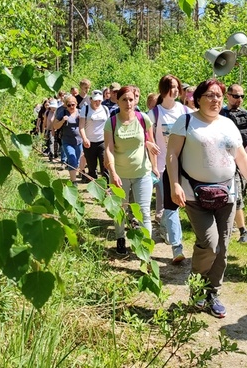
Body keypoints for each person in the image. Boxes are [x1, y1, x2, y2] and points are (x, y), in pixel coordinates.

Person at [166, 79, 247, 319]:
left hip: (227, 194)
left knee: (223, 247)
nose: (215, 100)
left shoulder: (228, 124)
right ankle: (197, 287)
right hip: (194, 194)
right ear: (197, 98)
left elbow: (240, 157)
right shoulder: (186, 121)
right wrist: (174, 184)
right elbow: (172, 155)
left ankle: (212, 293)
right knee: (209, 243)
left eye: (219, 96)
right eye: (209, 95)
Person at [104, 85, 160, 254]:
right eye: (124, 100)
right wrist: (113, 173)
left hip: (142, 173)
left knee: (144, 212)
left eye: (131, 99)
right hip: (120, 175)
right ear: (118, 101)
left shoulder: (143, 119)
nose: (128, 103)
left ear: (135, 100)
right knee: (120, 209)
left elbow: (150, 143)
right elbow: (108, 149)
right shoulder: (112, 122)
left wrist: (155, 167)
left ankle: (146, 250)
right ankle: (120, 238)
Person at [147, 75, 190, 263]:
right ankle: (177, 247)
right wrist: (154, 165)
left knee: (178, 207)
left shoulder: (185, 111)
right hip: (164, 167)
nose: (175, 90)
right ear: (163, 89)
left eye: (176, 87)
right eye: (171, 87)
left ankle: (164, 228)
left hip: (186, 166)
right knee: (171, 207)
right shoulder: (154, 114)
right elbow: (148, 140)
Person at [220, 83, 247, 246]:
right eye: (236, 96)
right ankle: (243, 231)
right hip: (225, 162)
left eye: (242, 96)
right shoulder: (220, 114)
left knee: (237, 193)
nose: (239, 99)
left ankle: (228, 225)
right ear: (227, 96)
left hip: (243, 161)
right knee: (235, 196)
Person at [79, 90, 110, 181]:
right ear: (91, 99)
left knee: (105, 167)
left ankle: (107, 188)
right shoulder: (85, 109)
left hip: (103, 141)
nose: (98, 102)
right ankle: (94, 188)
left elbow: (109, 126)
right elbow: (81, 126)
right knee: (92, 168)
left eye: (99, 100)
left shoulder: (105, 109)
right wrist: (84, 139)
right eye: (95, 100)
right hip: (89, 142)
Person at [53, 94, 82, 184]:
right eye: (69, 105)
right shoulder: (63, 113)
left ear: (76, 104)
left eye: (73, 104)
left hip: (79, 141)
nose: (71, 107)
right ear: (66, 105)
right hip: (67, 141)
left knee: (77, 161)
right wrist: (62, 121)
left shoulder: (80, 113)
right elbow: (55, 126)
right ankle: (74, 181)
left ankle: (73, 176)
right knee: (71, 158)